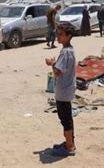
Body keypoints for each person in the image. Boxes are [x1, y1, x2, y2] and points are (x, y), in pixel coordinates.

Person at [45, 22, 77, 157]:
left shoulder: (66, 52)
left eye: (61, 34)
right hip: (66, 89)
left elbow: (58, 72)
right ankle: (69, 143)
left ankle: (69, 146)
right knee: (67, 118)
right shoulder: (69, 50)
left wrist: (52, 64)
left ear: (68, 36)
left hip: (63, 91)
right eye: (58, 34)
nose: (58, 37)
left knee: (65, 119)